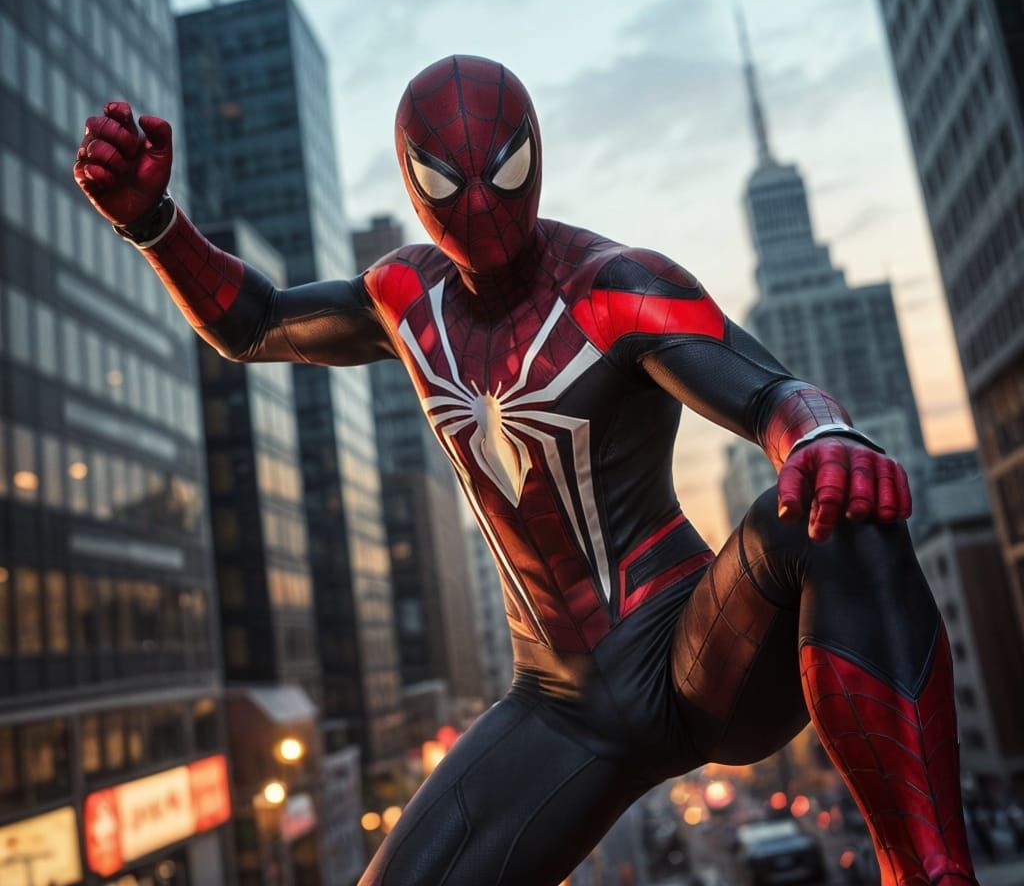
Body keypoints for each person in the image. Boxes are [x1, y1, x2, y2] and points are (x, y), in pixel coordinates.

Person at [74, 56, 979, 886]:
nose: (479, 203)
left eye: (500, 172)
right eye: (446, 180)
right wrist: (156, 225)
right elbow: (256, 321)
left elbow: (770, 392)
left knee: (831, 508)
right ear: (411, 178)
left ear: (535, 157)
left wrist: (824, 439)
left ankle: (928, 868)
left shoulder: (614, 285)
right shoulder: (406, 300)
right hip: (558, 703)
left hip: (692, 654)